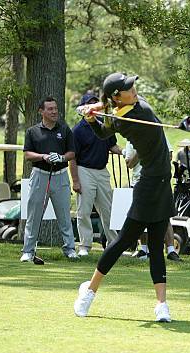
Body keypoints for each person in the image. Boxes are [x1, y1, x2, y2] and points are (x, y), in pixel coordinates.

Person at [74, 72, 174, 322]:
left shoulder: (124, 109)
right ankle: (89, 291)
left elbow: (104, 125)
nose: (135, 89)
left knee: (156, 247)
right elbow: (105, 131)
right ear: (118, 96)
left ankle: (162, 305)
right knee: (121, 242)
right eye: (129, 88)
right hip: (148, 185)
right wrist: (95, 115)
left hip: (163, 184)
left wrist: (94, 110)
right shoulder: (129, 117)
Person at [21, 96, 78, 261]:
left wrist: (60, 158)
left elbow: (72, 153)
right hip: (40, 176)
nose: (54, 112)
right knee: (34, 214)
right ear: (41, 111)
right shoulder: (33, 131)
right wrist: (43, 156)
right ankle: (28, 251)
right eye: (50, 109)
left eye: (55, 108)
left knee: (64, 215)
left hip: (60, 177)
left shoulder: (65, 129)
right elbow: (27, 155)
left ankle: (70, 249)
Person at [70, 93, 122, 256]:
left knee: (108, 210)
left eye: (95, 104)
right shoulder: (77, 130)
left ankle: (113, 245)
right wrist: (76, 180)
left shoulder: (104, 126)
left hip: (102, 171)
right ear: (84, 108)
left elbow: (112, 146)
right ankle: (85, 245)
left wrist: (125, 152)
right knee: (84, 210)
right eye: (90, 104)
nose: (93, 107)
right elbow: (73, 158)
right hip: (84, 170)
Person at [125, 140, 182, 262]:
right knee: (141, 217)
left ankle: (171, 250)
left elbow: (169, 155)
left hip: (160, 181)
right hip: (139, 182)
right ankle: (144, 249)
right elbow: (129, 164)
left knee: (164, 216)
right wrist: (142, 150)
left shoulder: (158, 133)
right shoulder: (131, 139)